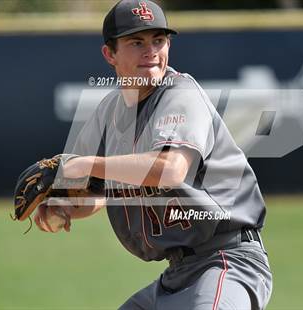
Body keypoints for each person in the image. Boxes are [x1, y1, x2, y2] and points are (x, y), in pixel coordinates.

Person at [34, 0, 272, 309]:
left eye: (158, 40)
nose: (151, 51)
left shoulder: (180, 94)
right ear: (110, 54)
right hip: (178, 274)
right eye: (136, 42)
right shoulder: (112, 113)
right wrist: (66, 208)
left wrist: (84, 164)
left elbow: (171, 169)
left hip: (227, 262)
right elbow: (106, 191)